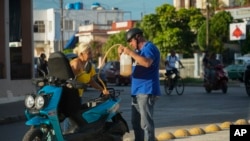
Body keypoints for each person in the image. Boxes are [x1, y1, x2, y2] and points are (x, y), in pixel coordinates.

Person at [118, 28, 161, 141]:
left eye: (131, 41)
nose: (131, 45)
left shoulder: (149, 47)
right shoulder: (137, 53)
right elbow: (125, 71)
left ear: (137, 37)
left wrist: (130, 53)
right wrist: (122, 55)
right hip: (136, 91)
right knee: (136, 123)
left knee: (146, 123)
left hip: (146, 90)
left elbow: (147, 63)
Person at [63, 42, 109, 133]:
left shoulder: (88, 65)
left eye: (91, 53)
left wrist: (102, 90)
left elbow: (91, 81)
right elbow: (68, 81)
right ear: (81, 54)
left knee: (76, 122)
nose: (91, 55)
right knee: (70, 121)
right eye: (89, 53)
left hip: (77, 97)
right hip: (70, 97)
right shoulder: (75, 64)